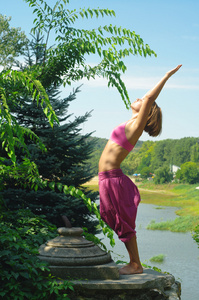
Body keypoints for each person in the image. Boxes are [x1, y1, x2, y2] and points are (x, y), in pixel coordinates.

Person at [98, 65, 182, 275]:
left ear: (147, 111)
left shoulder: (137, 125)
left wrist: (166, 76)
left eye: (142, 101)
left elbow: (148, 99)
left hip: (113, 178)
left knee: (123, 222)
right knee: (111, 216)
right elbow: (146, 99)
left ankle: (135, 264)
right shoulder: (132, 121)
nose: (139, 98)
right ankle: (134, 262)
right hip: (105, 178)